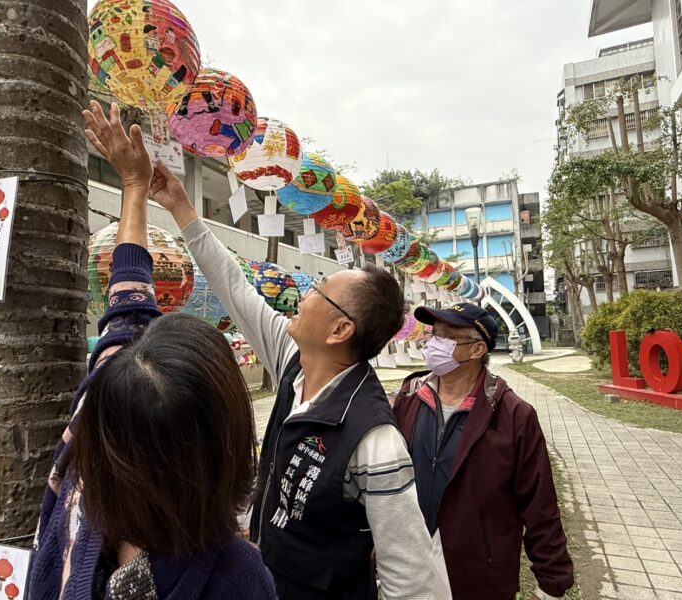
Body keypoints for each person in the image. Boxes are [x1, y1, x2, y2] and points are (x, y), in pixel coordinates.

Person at [27, 101, 276, 600]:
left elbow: (128, 304)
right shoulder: (239, 578)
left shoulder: (78, 481)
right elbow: (130, 310)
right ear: (224, 449)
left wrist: (135, 187)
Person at [149, 165, 434, 598]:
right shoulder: (292, 360)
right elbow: (237, 290)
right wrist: (182, 208)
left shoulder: (375, 440)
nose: (305, 294)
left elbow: (408, 573)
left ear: (339, 331)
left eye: (319, 293)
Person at [392, 303, 574, 600]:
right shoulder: (409, 397)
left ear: (477, 350)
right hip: (410, 565)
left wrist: (552, 581)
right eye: (434, 334)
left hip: (479, 573)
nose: (434, 343)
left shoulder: (514, 416)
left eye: (447, 336)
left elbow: (539, 502)